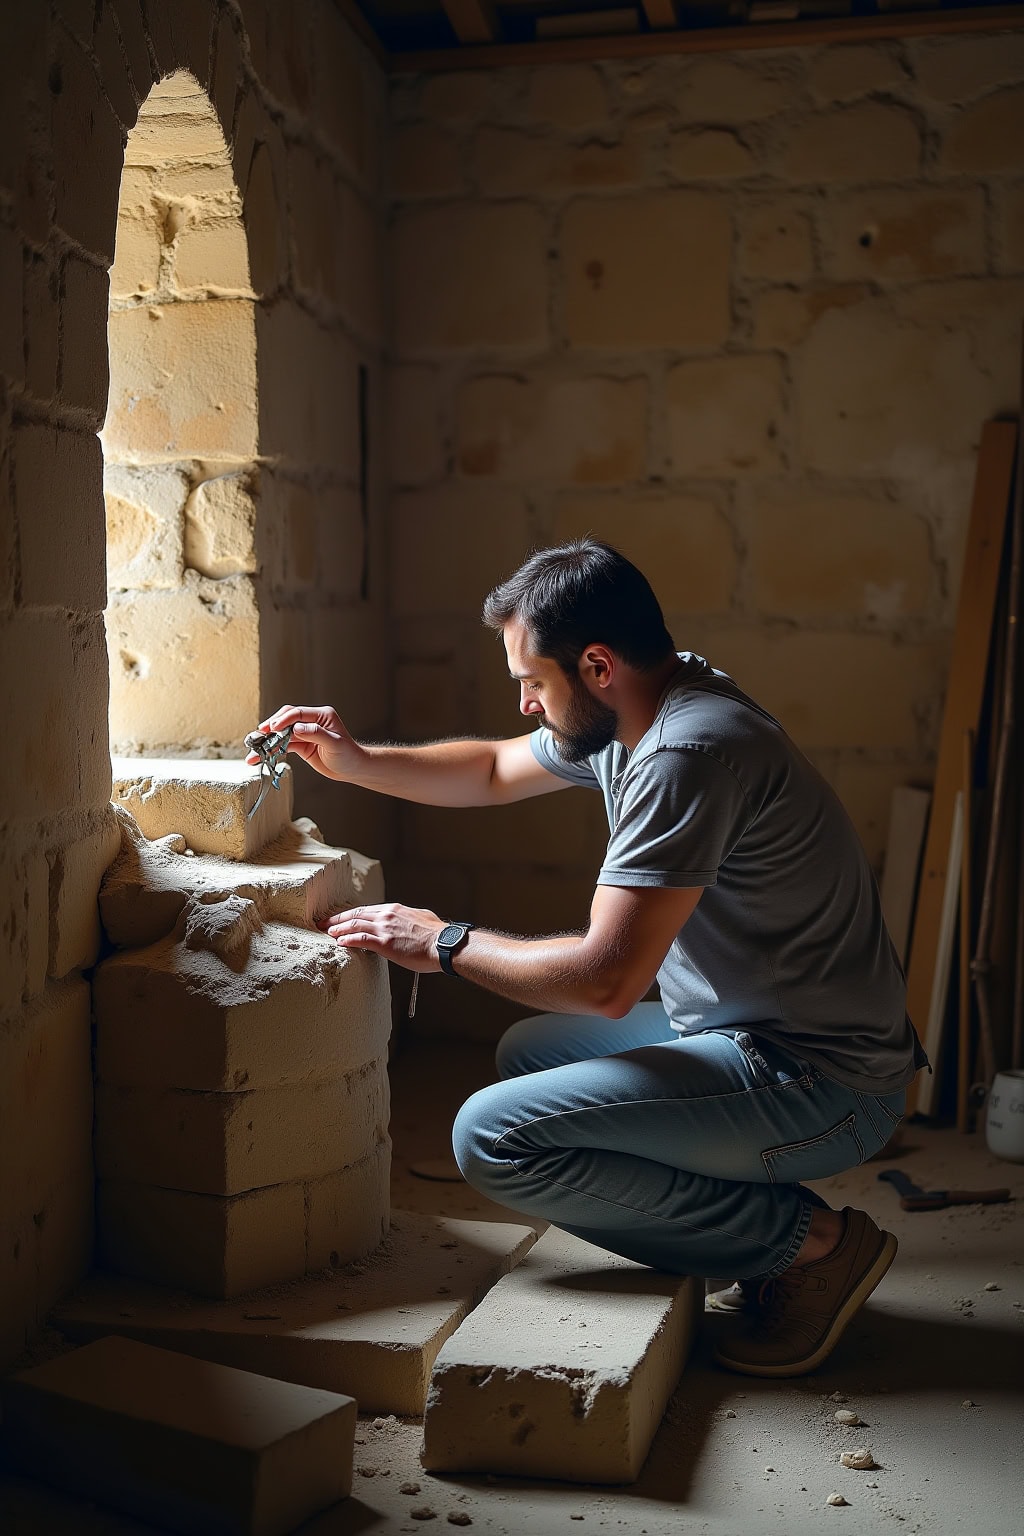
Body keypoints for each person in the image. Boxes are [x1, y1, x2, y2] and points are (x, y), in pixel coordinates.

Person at [249, 538, 927, 1378]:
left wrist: (443, 942)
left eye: (533, 683)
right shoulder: (643, 703)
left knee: (494, 1137)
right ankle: (728, 1223)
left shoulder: (686, 753)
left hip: (825, 1081)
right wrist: (355, 763)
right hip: (757, 1032)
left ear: (597, 665)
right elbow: (496, 771)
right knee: (531, 1053)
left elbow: (607, 982)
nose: (528, 706)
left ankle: (815, 1246)